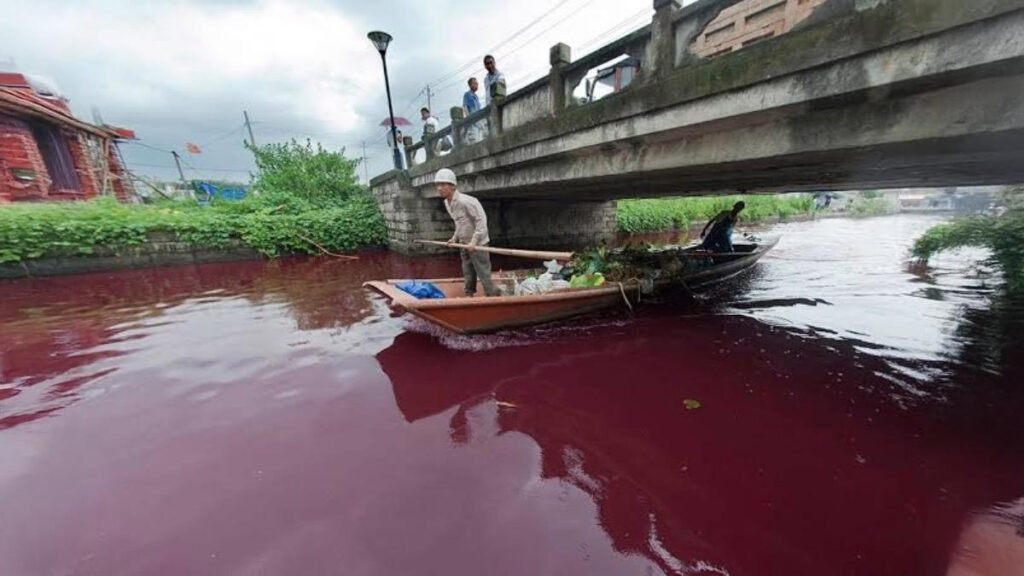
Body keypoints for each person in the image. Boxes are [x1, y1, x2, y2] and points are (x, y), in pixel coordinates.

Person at [435, 168, 499, 297]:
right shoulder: (447, 203)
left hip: (478, 243)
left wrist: (474, 242)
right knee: (468, 271)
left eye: (443, 185)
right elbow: (459, 223)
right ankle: (469, 295)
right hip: (464, 243)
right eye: (438, 185)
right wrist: (454, 238)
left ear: (452, 186)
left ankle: (493, 295)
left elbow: (481, 221)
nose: (439, 188)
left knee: (483, 272)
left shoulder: (466, 201)